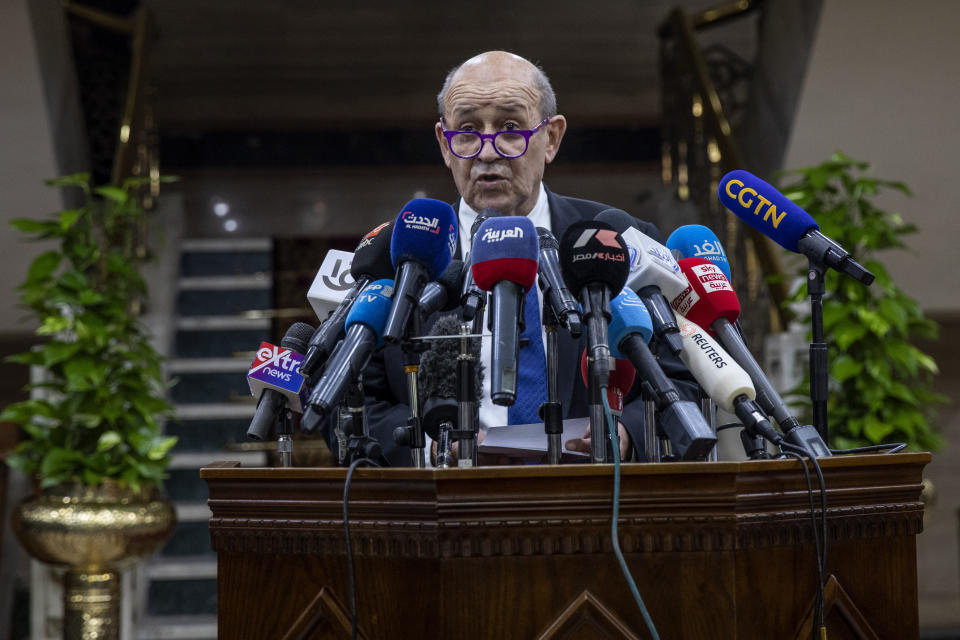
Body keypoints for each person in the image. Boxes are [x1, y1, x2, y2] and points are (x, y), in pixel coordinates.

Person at [360, 51, 695, 466]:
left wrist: (625, 432)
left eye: (510, 128)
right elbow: (358, 400)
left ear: (551, 138)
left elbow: (682, 375)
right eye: (466, 131)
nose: (487, 152)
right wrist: (427, 450)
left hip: (590, 503)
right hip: (445, 508)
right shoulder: (395, 254)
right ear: (444, 145)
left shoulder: (620, 239)